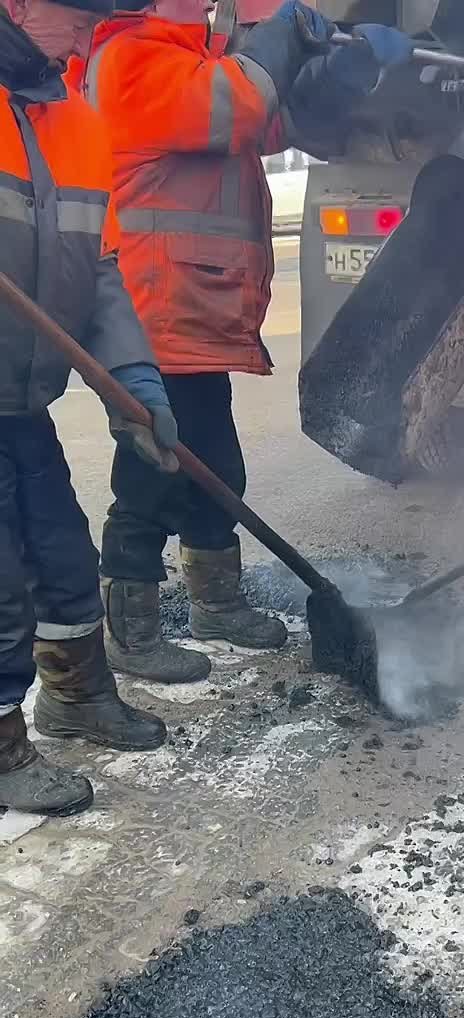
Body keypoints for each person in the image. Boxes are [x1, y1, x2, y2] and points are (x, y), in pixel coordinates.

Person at [80, 0, 413, 682]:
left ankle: (216, 602)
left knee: (219, 469)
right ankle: (134, 631)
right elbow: (236, 105)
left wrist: (343, 74)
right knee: (149, 476)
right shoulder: (131, 59)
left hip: (195, 313)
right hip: (154, 312)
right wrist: (284, 33)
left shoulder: (191, 63)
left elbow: (277, 121)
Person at [0, 0, 185, 816]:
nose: (89, 31)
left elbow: (101, 272)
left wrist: (135, 386)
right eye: (74, 13)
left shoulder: (77, 121)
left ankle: (75, 696)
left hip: (20, 400)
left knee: (63, 557)